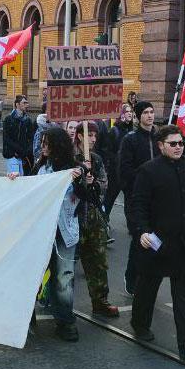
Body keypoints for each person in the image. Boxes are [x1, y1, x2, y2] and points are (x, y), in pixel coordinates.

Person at [129, 124, 185, 363]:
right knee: (148, 287)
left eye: (181, 143)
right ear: (161, 145)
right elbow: (137, 205)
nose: (178, 147)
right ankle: (140, 324)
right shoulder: (148, 171)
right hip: (157, 243)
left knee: (184, 294)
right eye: (173, 143)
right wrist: (142, 231)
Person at [29, 127, 88, 341]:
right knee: (33, 275)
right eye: (42, 142)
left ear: (58, 145)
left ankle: (65, 320)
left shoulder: (75, 169)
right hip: (41, 230)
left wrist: (82, 180)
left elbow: (88, 197)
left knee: (64, 278)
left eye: (47, 143)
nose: (43, 147)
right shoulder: (39, 167)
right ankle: (27, 315)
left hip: (65, 231)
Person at [72, 121, 119, 318]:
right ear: (80, 136)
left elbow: (104, 184)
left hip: (93, 216)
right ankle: (57, 300)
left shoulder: (96, 159)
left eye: (95, 136)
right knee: (67, 263)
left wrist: (93, 184)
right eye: (89, 135)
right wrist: (79, 177)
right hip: (73, 218)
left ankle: (100, 301)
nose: (93, 139)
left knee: (98, 261)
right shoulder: (69, 158)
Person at [117, 101, 159, 295]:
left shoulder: (160, 138)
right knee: (138, 238)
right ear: (138, 116)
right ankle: (131, 276)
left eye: (152, 112)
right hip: (136, 199)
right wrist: (143, 181)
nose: (150, 116)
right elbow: (124, 170)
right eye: (146, 112)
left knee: (154, 239)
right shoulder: (130, 139)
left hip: (157, 199)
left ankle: (148, 277)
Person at [104, 104, 135, 216]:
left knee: (130, 202)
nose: (130, 113)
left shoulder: (132, 131)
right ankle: (103, 221)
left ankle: (132, 227)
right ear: (122, 114)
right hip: (115, 173)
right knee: (109, 199)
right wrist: (119, 159)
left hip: (128, 173)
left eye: (131, 111)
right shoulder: (114, 130)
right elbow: (108, 151)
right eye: (127, 111)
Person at [2, 95, 34, 175]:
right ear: (17, 104)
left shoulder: (28, 120)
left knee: (23, 178)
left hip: (24, 155)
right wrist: (17, 149)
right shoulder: (9, 119)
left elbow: (31, 137)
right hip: (12, 154)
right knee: (14, 178)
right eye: (24, 103)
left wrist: (27, 150)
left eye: (27, 103)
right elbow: (6, 138)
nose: (27, 105)